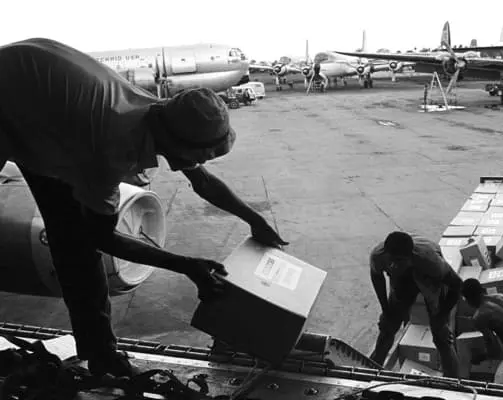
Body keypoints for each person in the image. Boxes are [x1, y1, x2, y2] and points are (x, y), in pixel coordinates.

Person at [0, 38, 288, 378]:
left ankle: (99, 353)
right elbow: (103, 238)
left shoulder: (162, 114)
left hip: (44, 108)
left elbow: (204, 182)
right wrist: (185, 265)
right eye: (202, 156)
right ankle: (102, 354)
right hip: (16, 103)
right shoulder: (110, 150)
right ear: (178, 146)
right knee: (78, 246)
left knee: (72, 240)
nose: (200, 163)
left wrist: (255, 221)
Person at [369, 232, 462, 377]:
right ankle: (370, 373)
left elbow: (457, 285)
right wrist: (385, 309)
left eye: (400, 261)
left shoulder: (430, 261)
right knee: (387, 328)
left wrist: (441, 316)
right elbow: (376, 276)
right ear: (386, 254)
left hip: (429, 279)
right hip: (401, 281)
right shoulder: (378, 256)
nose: (394, 264)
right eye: (392, 261)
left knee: (441, 336)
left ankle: (453, 383)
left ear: (410, 256)